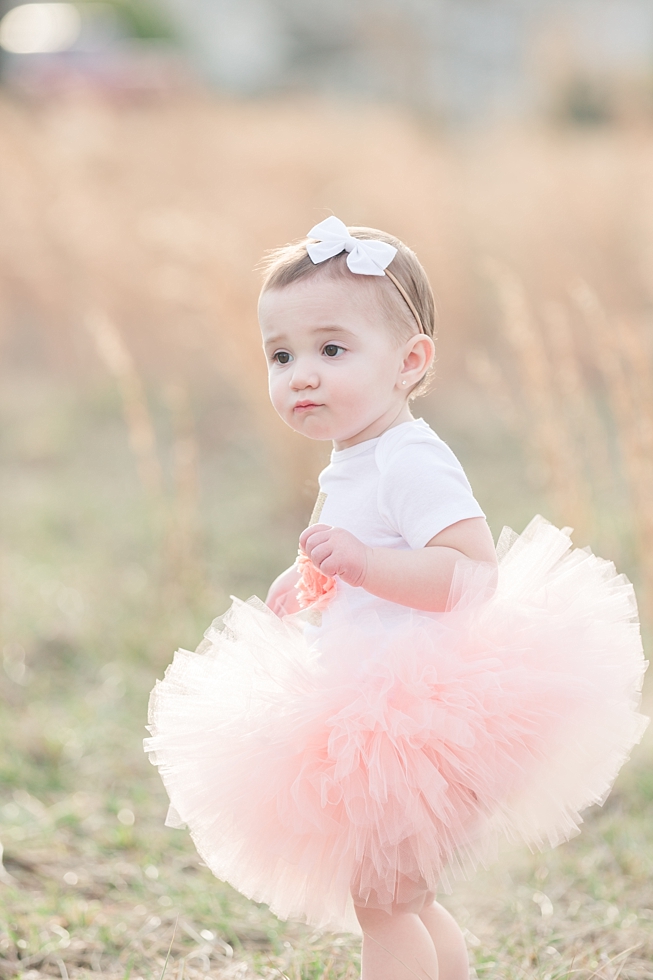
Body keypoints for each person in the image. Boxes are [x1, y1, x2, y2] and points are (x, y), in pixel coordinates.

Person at [145, 216, 648, 980]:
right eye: (280, 355)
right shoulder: (356, 457)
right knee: (397, 899)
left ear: (409, 363)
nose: (300, 374)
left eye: (331, 349)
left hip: (420, 711)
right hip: (369, 699)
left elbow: (469, 572)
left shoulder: (409, 458)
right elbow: (356, 549)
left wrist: (365, 564)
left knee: (382, 902)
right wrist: (314, 576)